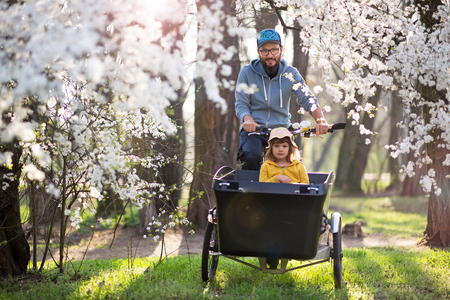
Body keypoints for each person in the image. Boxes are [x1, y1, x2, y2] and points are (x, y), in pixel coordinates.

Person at [235, 28, 329, 170]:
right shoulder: (247, 73)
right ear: (258, 52)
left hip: (281, 131)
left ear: (281, 49)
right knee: (251, 156)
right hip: (254, 131)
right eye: (265, 51)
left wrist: (321, 121)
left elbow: (307, 98)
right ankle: (251, 191)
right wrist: (247, 119)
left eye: (274, 50)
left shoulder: (291, 74)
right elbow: (241, 103)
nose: (270, 55)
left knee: (290, 164)